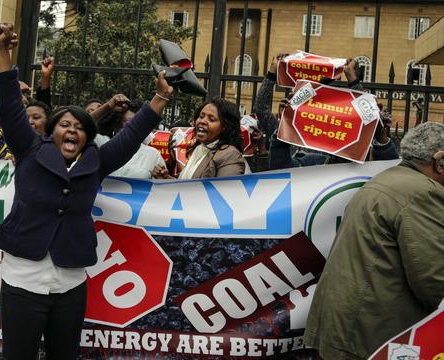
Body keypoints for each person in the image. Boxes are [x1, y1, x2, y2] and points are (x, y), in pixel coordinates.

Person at [0, 22, 172, 359]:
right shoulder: (29, 149)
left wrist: (160, 97)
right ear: (51, 132)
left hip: (70, 285)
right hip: (22, 282)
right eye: (64, 125)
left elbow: (131, 138)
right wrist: (3, 50)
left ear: (87, 138)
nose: (72, 130)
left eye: (79, 127)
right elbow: (9, 104)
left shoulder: (97, 162)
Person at [304, 122, 444, 360]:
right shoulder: (422, 193)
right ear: (440, 161)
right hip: (369, 334)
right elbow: (434, 279)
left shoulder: (385, 180)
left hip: (347, 327)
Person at [267, 58, 398, 169]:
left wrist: (380, 132)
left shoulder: (366, 166)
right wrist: (286, 122)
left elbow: (390, 171)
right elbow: (281, 167)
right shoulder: (314, 162)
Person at [152, 97, 245, 179]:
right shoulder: (198, 148)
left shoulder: (230, 154)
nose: (202, 121)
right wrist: (165, 179)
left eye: (211, 119)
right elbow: (188, 186)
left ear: (225, 127)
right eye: (201, 116)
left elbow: (223, 193)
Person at [96, 101, 165, 179]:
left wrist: (160, 177)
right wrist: (107, 106)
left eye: (136, 122)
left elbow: (161, 186)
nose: (131, 126)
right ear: (117, 124)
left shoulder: (153, 154)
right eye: (127, 121)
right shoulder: (103, 145)